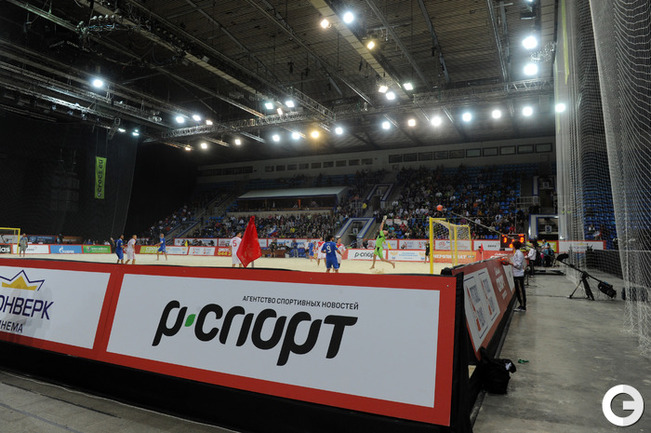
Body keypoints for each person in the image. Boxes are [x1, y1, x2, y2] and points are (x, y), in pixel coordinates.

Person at [510, 240, 526, 312]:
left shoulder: (519, 254)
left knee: (520, 291)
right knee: (518, 291)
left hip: (518, 275)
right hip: (516, 274)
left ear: (514, 246)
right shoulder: (516, 253)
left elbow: (518, 265)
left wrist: (510, 263)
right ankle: (521, 305)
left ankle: (523, 306)